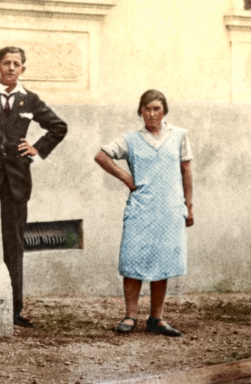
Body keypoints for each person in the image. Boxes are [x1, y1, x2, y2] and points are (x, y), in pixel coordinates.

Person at [0, 47, 68, 328]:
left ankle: (14, 309)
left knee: (14, 243)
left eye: (16, 64)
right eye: (6, 63)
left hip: (16, 181)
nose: (11, 68)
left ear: (22, 69)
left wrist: (36, 148)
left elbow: (58, 127)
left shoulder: (29, 100)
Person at [94, 89, 193, 337]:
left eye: (156, 109)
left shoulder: (179, 136)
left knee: (162, 261)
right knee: (133, 259)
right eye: (147, 109)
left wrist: (188, 206)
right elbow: (101, 156)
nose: (152, 114)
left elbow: (186, 171)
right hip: (141, 208)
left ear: (164, 111)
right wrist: (126, 177)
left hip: (169, 208)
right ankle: (130, 316)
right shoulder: (131, 139)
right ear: (140, 112)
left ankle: (156, 317)